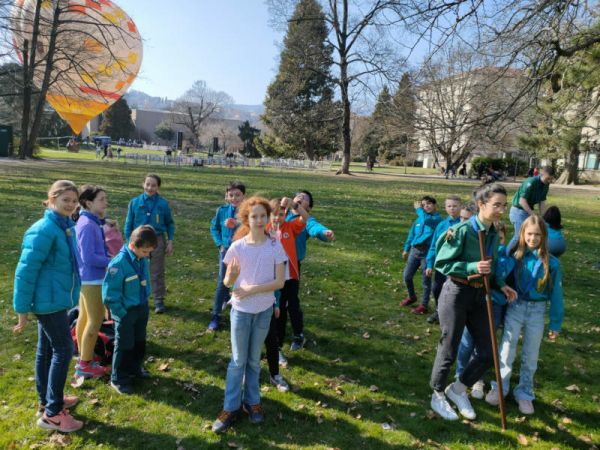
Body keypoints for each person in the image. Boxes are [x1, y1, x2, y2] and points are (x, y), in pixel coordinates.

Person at [429, 183, 518, 421]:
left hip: (480, 295)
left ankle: (457, 390)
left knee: (488, 353)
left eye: (504, 205)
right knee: (450, 347)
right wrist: (471, 267)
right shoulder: (462, 231)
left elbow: (492, 265)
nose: (501, 210)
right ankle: (437, 393)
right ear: (481, 204)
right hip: (456, 293)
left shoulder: (491, 233)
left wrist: (501, 284)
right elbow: (442, 262)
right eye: (496, 205)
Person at [13, 180, 84, 432]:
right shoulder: (44, 229)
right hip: (48, 303)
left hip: (56, 299)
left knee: (46, 351)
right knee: (63, 350)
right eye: (65, 200)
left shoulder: (65, 226)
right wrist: (22, 311)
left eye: (74, 201)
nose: (71, 205)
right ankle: (53, 414)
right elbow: (25, 271)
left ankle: (47, 402)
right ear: (51, 199)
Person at [212, 197, 287, 433]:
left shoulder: (275, 245)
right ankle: (230, 407)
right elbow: (227, 282)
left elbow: (280, 281)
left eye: (263, 216)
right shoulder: (237, 247)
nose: (259, 220)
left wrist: (251, 289)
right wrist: (232, 278)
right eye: (254, 216)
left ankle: (252, 402)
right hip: (241, 312)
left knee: (254, 361)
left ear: (267, 218)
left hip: (263, 310)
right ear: (246, 218)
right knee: (237, 361)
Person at [486, 215, 563, 415]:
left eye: (537, 234)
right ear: (522, 234)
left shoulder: (552, 264)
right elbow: (499, 270)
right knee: (506, 349)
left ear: (544, 236)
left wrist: (555, 323)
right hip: (515, 306)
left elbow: (556, 295)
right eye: (529, 234)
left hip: (537, 311)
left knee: (531, 355)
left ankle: (525, 393)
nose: (533, 238)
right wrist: (507, 249)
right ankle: (500, 387)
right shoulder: (515, 256)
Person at [454, 222, 515, 400]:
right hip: (478, 300)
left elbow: (502, 280)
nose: (500, 243)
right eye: (497, 239)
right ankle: (460, 373)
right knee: (466, 341)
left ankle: (477, 379)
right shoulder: (479, 254)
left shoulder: (507, 260)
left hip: (495, 305)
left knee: (484, 344)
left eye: (502, 239)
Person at [103, 225, 157, 395]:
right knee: (125, 344)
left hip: (141, 308)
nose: (148, 255)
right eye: (145, 251)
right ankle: (119, 378)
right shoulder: (118, 264)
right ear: (133, 246)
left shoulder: (141, 259)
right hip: (125, 312)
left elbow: (144, 280)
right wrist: (120, 312)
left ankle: (135, 368)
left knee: (139, 341)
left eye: (150, 252)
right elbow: (110, 293)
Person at [280, 190, 335, 354]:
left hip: (292, 267)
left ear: (308, 207)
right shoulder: (281, 214)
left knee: (291, 303)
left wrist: (325, 233)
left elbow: (314, 227)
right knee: (277, 302)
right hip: (273, 264)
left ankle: (298, 335)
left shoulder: (305, 221)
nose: (300, 197)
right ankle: (277, 336)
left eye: (305, 198)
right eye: (298, 195)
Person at [264, 197, 308, 391]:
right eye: (274, 215)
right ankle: (278, 346)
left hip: (291, 277)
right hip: (274, 278)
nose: (277, 218)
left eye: (281, 215)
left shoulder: (290, 227)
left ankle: (296, 335)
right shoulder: (265, 231)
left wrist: (294, 206)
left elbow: (305, 218)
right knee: (278, 310)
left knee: (291, 305)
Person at [74, 185, 111, 379]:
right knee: (95, 321)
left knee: (84, 319)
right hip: (93, 280)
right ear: (89, 203)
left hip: (88, 278)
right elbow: (88, 257)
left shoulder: (89, 221)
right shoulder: (87, 225)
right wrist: (111, 261)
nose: (106, 202)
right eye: (102, 199)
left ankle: (84, 357)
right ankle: (85, 364)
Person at [124, 174, 175, 313]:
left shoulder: (163, 203)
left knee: (156, 271)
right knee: (136, 270)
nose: (150, 188)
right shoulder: (134, 202)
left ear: (158, 187)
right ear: (143, 184)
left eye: (153, 185)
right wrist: (129, 242)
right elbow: (128, 223)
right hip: (138, 240)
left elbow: (170, 223)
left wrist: (170, 241)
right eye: (147, 184)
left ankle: (158, 300)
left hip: (157, 240)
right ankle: (137, 298)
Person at [208, 181, 246, 331]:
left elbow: (251, 227)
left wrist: (236, 223)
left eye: (238, 195)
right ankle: (216, 315)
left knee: (241, 281)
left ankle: (240, 313)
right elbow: (214, 227)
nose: (235, 198)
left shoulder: (248, 212)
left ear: (244, 196)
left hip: (243, 251)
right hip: (225, 251)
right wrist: (220, 244)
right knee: (222, 282)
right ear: (226, 196)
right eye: (231, 195)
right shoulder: (221, 210)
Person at [400, 196, 442, 314]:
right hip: (415, 250)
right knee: (407, 276)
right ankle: (412, 296)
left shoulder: (437, 219)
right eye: (423, 205)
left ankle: (424, 304)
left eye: (429, 204)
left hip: (427, 252)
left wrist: (419, 210)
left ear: (435, 205)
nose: (425, 206)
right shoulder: (419, 220)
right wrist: (406, 249)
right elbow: (411, 235)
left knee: (426, 280)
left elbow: (426, 220)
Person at [424, 196, 463, 322]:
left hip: (456, 264)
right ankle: (438, 310)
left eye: (455, 206)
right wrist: (430, 264)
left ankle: (450, 315)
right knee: (436, 288)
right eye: (449, 206)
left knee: (451, 291)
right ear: (445, 208)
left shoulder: (463, 224)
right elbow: (433, 246)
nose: (452, 209)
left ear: (460, 207)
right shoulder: (442, 225)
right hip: (442, 265)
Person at [508, 166, 554, 251]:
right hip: (518, 211)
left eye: (551, 179)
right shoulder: (531, 182)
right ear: (541, 174)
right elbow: (522, 201)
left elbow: (542, 202)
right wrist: (533, 214)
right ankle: (506, 256)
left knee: (529, 237)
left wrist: (544, 218)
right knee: (519, 236)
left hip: (527, 212)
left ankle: (521, 258)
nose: (550, 181)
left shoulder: (546, 185)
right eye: (548, 178)